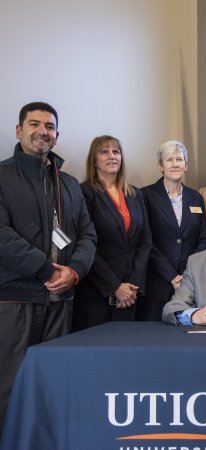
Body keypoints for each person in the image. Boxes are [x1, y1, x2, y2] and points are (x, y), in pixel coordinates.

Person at [0, 102, 96, 433]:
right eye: (34, 124)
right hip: (16, 301)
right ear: (19, 130)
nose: (43, 130)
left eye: (50, 126)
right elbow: (2, 236)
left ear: (56, 135)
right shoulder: (1, 176)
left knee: (54, 385)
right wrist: (47, 270)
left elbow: (87, 234)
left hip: (62, 302)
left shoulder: (69, 184)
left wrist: (75, 271)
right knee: (10, 387)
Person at [72, 135, 152, 331]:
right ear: (94, 159)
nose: (112, 156)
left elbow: (145, 241)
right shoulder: (84, 193)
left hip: (131, 293)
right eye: (104, 152)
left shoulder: (135, 194)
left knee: (126, 352)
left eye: (116, 152)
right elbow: (86, 244)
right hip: (97, 291)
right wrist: (115, 287)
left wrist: (132, 286)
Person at [137, 140, 206, 321]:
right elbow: (146, 240)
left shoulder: (196, 197)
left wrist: (186, 274)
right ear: (160, 166)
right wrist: (170, 275)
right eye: (169, 160)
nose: (175, 164)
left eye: (179, 159)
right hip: (157, 282)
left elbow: (204, 239)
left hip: (190, 284)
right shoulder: (145, 195)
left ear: (186, 165)